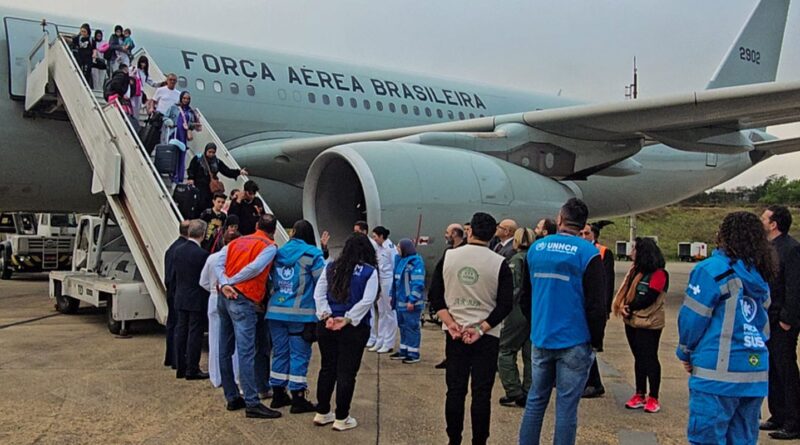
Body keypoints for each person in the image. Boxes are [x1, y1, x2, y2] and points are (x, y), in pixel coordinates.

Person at [676, 211, 775, 445]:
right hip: (753, 372)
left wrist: (685, 351)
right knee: (743, 439)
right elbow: (764, 326)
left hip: (717, 373)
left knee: (706, 438)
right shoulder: (760, 275)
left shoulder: (711, 269)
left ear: (724, 235)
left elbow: (692, 319)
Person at [518, 198, 607, 445]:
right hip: (575, 340)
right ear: (583, 225)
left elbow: (525, 296)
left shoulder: (536, 248)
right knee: (567, 408)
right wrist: (596, 341)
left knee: (536, 400)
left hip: (542, 337)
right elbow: (597, 305)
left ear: (559, 219)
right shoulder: (589, 253)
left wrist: (536, 324)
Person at [429, 212, 513, 445]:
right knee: (482, 393)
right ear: (492, 234)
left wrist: (450, 322)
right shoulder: (499, 263)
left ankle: (454, 439)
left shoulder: (449, 257)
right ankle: (479, 440)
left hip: (455, 333)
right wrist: (482, 328)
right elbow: (505, 303)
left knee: (455, 390)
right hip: (486, 335)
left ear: (470, 231)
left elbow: (435, 296)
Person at [215, 214, 281, 419]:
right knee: (246, 351)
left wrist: (225, 283)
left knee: (225, 349)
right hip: (243, 298)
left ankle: (232, 396)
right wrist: (233, 282)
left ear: (256, 225)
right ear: (274, 230)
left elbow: (218, 264)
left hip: (224, 296)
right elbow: (255, 268)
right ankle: (252, 401)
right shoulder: (269, 246)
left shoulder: (237, 242)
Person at [312, 233, 380, 431]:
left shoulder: (331, 267)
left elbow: (319, 294)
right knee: (347, 372)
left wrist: (326, 316)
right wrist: (348, 318)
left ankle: (322, 412)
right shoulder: (369, 271)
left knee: (327, 369)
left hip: (328, 325)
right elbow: (367, 300)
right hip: (353, 328)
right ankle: (342, 417)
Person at [267, 220, 325, 413]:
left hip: (275, 311)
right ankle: (298, 398)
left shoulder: (277, 252)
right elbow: (322, 283)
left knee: (280, 352)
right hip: (301, 314)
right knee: (299, 354)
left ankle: (277, 394)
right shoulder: (313, 254)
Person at [611, 237, 668, 413]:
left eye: (634, 249)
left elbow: (649, 297)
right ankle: (639, 393)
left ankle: (654, 396)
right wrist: (623, 306)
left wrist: (629, 306)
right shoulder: (635, 271)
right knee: (638, 358)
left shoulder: (659, 274)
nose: (631, 252)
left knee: (650, 358)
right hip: (633, 320)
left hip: (649, 322)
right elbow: (627, 291)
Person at [760, 205, 800, 440]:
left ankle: (794, 421)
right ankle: (778, 414)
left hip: (782, 321)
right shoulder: (770, 248)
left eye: (764, 218)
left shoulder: (791, 249)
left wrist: (788, 319)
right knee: (772, 369)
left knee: (786, 370)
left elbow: (795, 287)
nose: (761, 221)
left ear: (774, 224)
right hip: (769, 319)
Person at [498, 227, 535, 408]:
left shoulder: (516, 260)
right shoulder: (536, 259)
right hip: (534, 310)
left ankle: (513, 390)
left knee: (505, 349)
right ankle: (529, 392)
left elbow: (513, 289)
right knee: (530, 354)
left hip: (518, 310)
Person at [200, 230, 241, 388]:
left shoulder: (212, 258)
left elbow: (202, 281)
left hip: (214, 296)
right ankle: (236, 375)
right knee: (236, 340)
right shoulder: (237, 258)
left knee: (215, 339)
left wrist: (212, 289)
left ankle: (216, 376)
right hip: (232, 297)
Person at [580, 221, 616, 399]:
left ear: (594, 235)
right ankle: (589, 381)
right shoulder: (579, 250)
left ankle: (594, 383)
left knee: (591, 346)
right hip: (583, 305)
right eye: (582, 234)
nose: (584, 237)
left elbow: (608, 283)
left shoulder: (603, 252)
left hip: (596, 307)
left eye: (587, 234)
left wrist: (606, 308)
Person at [173, 219, 210, 380]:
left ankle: (180, 367)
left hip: (181, 296)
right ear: (202, 234)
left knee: (181, 332)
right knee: (195, 334)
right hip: (196, 298)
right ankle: (192, 368)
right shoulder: (202, 255)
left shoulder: (178, 250)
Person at [434, 223, 467, 370]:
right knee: (449, 332)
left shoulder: (463, 252)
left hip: (460, 299)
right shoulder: (449, 252)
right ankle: (450, 358)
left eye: (447, 232)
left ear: (454, 234)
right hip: (449, 300)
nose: (445, 235)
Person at [388, 239, 426, 364]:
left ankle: (413, 353)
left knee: (412, 327)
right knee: (403, 326)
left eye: (399, 247)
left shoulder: (416, 262)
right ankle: (404, 350)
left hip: (410, 303)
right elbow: (395, 281)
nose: (397, 249)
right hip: (400, 302)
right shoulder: (400, 261)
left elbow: (418, 283)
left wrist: (412, 300)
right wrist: (391, 295)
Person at [187, 142, 247, 215]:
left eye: (213, 152)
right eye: (209, 152)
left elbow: (226, 171)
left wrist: (239, 172)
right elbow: (191, 169)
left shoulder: (217, 162)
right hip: (199, 185)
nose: (211, 154)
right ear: (206, 151)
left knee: (209, 203)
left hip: (211, 188)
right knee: (199, 202)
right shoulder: (198, 159)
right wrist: (191, 178)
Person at [367, 225, 398, 354]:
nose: (374, 239)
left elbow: (394, 266)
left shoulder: (390, 249)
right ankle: (380, 340)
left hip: (388, 282)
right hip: (380, 281)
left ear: (381, 236)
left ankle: (389, 342)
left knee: (390, 313)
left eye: (375, 236)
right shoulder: (378, 249)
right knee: (381, 312)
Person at [163, 220, 190, 369]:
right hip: (179, 292)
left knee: (172, 325)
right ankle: (177, 359)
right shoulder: (182, 249)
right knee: (180, 326)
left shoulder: (172, 248)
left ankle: (170, 357)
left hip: (171, 291)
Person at [164, 91, 199, 183]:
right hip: (174, 133)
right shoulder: (174, 108)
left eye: (188, 99)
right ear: (181, 98)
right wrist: (169, 122)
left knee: (182, 156)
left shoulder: (190, 111)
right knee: (173, 154)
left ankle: (179, 177)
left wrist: (190, 126)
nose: (186, 100)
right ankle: (172, 174)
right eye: (184, 98)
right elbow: (165, 118)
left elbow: (194, 125)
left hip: (183, 135)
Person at [148, 73, 181, 144]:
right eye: (170, 80)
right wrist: (151, 108)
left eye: (174, 80)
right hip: (160, 116)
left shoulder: (178, 94)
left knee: (167, 136)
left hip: (171, 118)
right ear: (167, 80)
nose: (172, 82)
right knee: (156, 135)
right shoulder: (160, 90)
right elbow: (153, 101)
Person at [71, 23, 94, 88]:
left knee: (87, 71)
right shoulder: (78, 38)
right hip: (80, 56)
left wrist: (94, 54)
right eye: (81, 31)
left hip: (88, 57)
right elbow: (72, 41)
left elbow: (94, 48)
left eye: (84, 32)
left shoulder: (91, 40)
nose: (83, 33)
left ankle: (85, 84)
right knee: (78, 68)